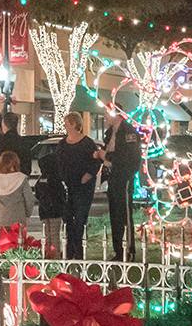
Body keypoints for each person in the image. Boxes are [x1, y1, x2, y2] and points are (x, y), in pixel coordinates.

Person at [39, 113, 102, 259]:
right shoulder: (62, 144)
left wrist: (88, 174)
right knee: (68, 219)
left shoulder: (87, 143)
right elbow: (60, 163)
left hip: (83, 186)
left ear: (74, 125)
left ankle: (79, 251)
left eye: (67, 123)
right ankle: (69, 250)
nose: (65, 126)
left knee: (80, 219)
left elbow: (95, 162)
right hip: (68, 185)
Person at [103, 109, 143, 260]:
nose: (105, 116)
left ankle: (128, 251)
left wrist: (107, 155)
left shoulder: (127, 131)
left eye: (108, 113)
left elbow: (128, 156)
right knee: (114, 214)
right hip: (112, 176)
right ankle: (119, 250)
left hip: (124, 176)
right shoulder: (110, 132)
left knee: (124, 214)